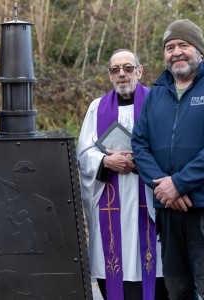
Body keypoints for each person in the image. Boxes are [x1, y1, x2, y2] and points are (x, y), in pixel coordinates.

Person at [131, 19, 204, 300]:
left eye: (184, 45)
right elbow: (140, 144)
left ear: (200, 51)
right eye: (170, 47)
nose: (176, 52)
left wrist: (179, 183)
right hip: (169, 209)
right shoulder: (156, 94)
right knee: (177, 290)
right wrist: (165, 187)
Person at [77, 49, 168, 300]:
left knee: (153, 264)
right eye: (115, 70)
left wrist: (143, 161)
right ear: (109, 75)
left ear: (139, 71)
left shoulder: (158, 102)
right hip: (111, 198)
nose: (122, 74)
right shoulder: (97, 108)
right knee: (114, 262)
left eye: (128, 68)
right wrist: (106, 160)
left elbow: (172, 148)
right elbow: (83, 153)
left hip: (148, 199)